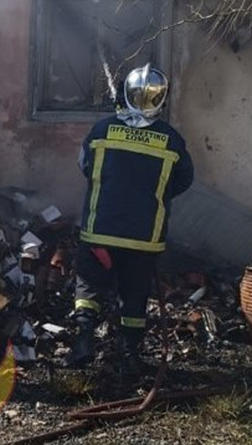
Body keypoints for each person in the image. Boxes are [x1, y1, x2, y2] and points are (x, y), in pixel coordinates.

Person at [68, 64, 194, 374]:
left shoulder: (101, 131)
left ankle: (84, 339)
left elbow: (85, 166)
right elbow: (183, 181)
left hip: (99, 233)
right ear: (161, 100)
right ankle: (130, 353)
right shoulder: (172, 141)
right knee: (134, 294)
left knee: (89, 285)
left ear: (126, 94)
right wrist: (152, 195)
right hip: (143, 238)